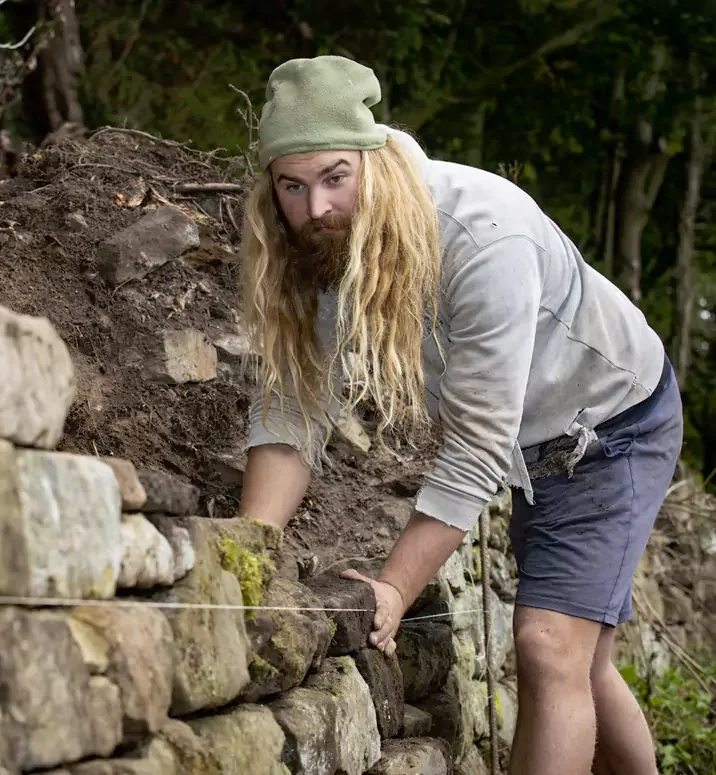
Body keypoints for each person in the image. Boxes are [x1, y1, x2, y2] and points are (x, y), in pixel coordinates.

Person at [237, 55, 681, 775]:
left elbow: (476, 447)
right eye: (292, 184)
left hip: (611, 423)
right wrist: (249, 548)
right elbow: (293, 399)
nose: (314, 206)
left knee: (547, 647)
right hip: (534, 435)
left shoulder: (480, 235)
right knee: (586, 663)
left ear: (370, 160)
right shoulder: (312, 244)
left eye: (333, 178)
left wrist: (393, 588)